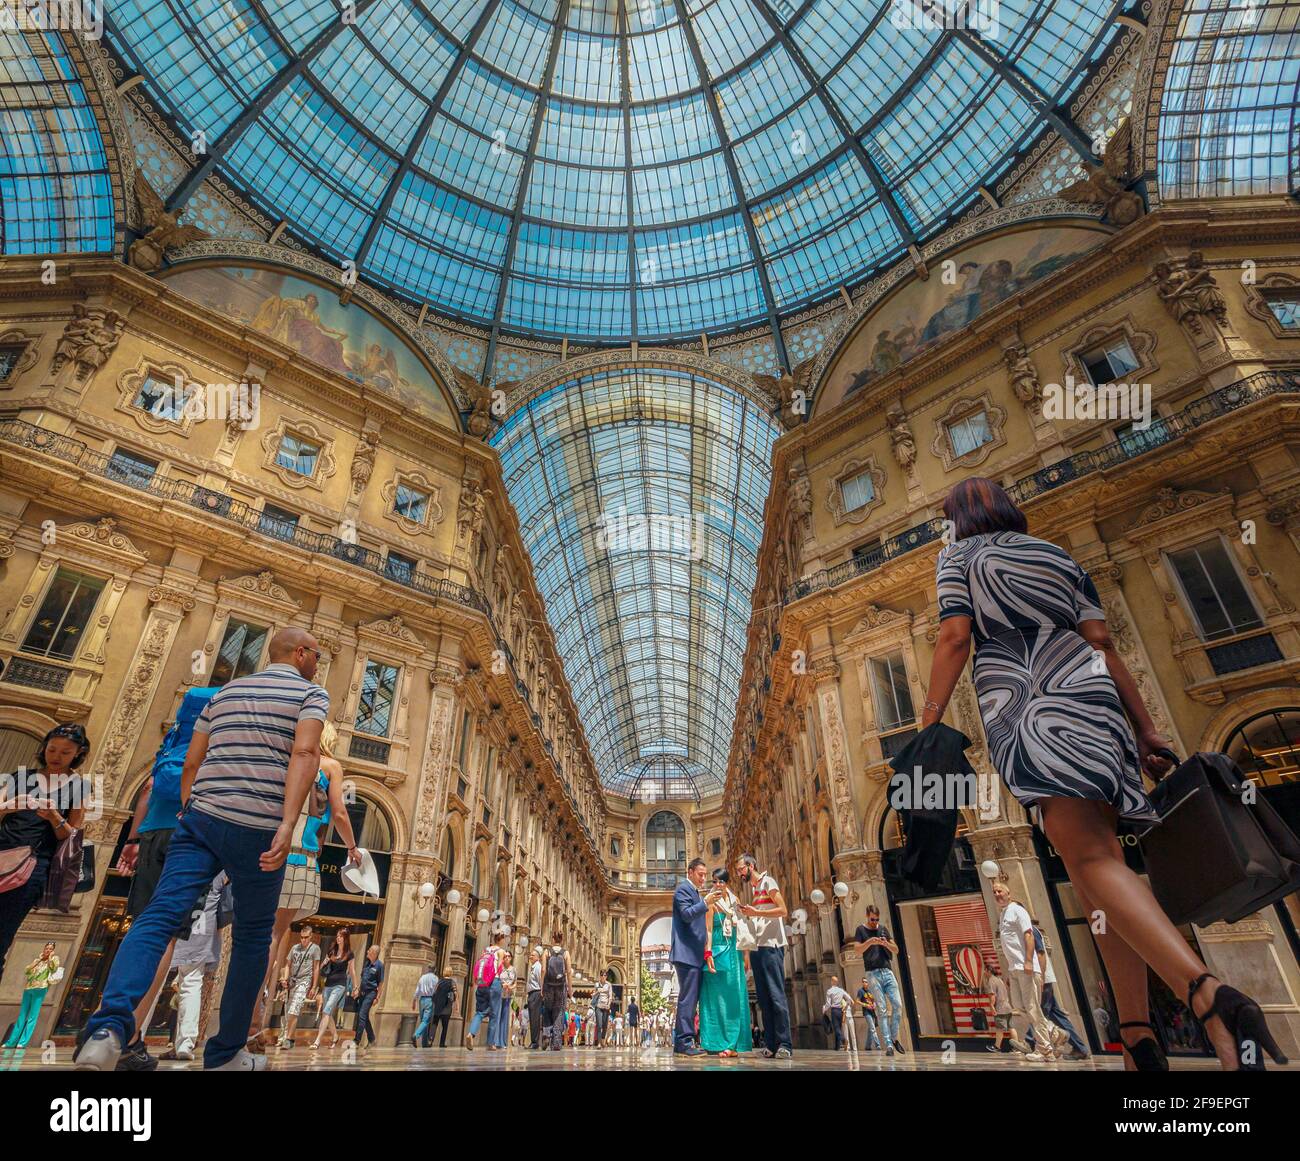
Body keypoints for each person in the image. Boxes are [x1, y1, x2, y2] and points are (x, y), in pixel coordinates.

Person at [924, 477, 1282, 1071]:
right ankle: (1139, 1038)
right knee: (1096, 878)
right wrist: (1146, 729)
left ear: (959, 518)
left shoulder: (958, 556)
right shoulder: (1058, 557)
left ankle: (1208, 994)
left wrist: (930, 724)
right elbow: (1104, 642)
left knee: (1090, 860)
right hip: (1094, 701)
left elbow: (954, 636)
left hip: (1029, 704)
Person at [77, 629, 355, 1072]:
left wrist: (191, 806)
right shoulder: (310, 694)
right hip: (259, 827)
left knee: (159, 916)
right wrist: (286, 823)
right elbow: (304, 754)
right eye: (317, 656)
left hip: (202, 819)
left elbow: (192, 759)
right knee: (251, 936)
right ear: (301, 654)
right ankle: (226, 1054)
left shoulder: (225, 691)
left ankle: (106, 1030)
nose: (318, 664)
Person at [113, 688, 219, 1071]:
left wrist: (133, 837)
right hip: (187, 838)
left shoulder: (173, 741)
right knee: (166, 937)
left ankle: (110, 1023)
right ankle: (129, 1034)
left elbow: (148, 790)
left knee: (143, 928)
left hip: (153, 833)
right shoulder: (214, 740)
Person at [256, 719, 357, 1039]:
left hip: (268, 850)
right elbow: (339, 813)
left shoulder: (286, 758)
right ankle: (253, 1018)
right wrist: (352, 848)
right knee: (274, 934)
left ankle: (251, 1009)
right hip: (300, 856)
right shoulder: (329, 766)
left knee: (261, 932)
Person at [1, 725, 89, 984]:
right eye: (52, 749)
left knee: (2, 935)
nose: (56, 756)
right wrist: (8, 806)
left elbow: (73, 835)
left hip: (31, 867)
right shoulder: (20, 776)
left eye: (65, 751)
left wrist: (54, 817)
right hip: (3, 852)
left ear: (78, 753)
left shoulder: (79, 787)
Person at [161, 873, 227, 1060]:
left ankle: (133, 1036)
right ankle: (184, 1044)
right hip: (202, 924)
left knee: (158, 979)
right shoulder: (221, 865)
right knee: (191, 983)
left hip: (182, 919)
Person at [991, 882, 1057, 1061]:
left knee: (1032, 1008)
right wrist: (1009, 972)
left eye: (1000, 891)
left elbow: (1028, 935)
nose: (997, 894)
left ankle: (1045, 1049)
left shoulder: (1017, 910)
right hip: (1015, 969)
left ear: (1009, 893)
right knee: (1020, 1008)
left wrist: (1029, 961)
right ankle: (1053, 1031)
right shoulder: (1004, 913)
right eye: (994, 892)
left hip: (1025, 967)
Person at [735, 853, 792, 1059]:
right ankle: (771, 1044)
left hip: (772, 946)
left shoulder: (768, 881)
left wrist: (756, 912)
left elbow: (783, 910)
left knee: (776, 996)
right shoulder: (755, 890)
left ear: (751, 866)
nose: (740, 873)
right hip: (759, 947)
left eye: (741, 868)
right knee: (764, 999)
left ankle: (785, 1043)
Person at [699, 867, 752, 1057]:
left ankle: (733, 1044)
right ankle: (714, 1042)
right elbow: (709, 930)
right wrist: (708, 953)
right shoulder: (710, 901)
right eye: (714, 881)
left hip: (735, 951)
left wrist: (746, 955)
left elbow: (743, 927)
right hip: (718, 951)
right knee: (715, 996)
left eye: (721, 881)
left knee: (734, 996)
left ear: (727, 883)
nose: (718, 885)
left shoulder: (735, 900)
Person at [671, 857, 720, 1055]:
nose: (703, 878)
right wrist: (705, 903)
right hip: (686, 954)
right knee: (688, 999)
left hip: (694, 954)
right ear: (690, 872)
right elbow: (686, 914)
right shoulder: (683, 889)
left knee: (691, 998)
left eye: (705, 875)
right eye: (700, 874)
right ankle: (684, 1043)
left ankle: (685, 1041)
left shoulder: (696, 893)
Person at [848, 904, 905, 1056]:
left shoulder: (883, 929)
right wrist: (870, 942)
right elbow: (857, 949)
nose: (874, 922)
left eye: (877, 919)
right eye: (872, 919)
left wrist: (886, 943)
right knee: (882, 1008)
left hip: (887, 971)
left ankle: (893, 1038)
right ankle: (889, 1045)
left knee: (898, 1005)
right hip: (872, 974)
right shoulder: (861, 930)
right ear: (867, 916)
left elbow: (896, 949)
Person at [1031, 920, 1088, 1060]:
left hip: (1041, 979)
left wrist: (1041, 979)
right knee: (1056, 1014)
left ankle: (1029, 1041)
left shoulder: (1030, 930)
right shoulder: (1030, 931)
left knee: (1037, 1013)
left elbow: (1040, 954)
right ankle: (1080, 1048)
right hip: (1044, 978)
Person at [2, 941, 60, 1049]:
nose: (48, 950)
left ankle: (22, 1042)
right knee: (22, 1015)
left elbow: (54, 969)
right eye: (47, 948)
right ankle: (11, 1042)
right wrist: (37, 961)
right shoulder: (38, 960)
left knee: (32, 1017)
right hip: (29, 988)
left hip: (40, 988)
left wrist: (51, 958)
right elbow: (27, 971)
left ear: (53, 951)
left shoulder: (54, 959)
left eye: (51, 949)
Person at [313, 926, 357, 1050]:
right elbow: (322, 966)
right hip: (328, 984)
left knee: (326, 1011)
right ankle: (335, 1036)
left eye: (341, 936)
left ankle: (317, 1040)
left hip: (340, 985)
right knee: (328, 1013)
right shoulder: (332, 950)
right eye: (337, 936)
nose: (338, 938)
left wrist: (355, 987)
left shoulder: (349, 953)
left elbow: (352, 971)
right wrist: (326, 961)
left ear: (346, 938)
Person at [280, 924, 320, 1049]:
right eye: (302, 937)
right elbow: (288, 964)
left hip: (304, 981)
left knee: (294, 1009)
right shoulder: (295, 948)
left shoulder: (315, 949)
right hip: (292, 981)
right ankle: (290, 1039)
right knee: (288, 1012)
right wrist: (285, 979)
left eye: (306, 937)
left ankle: (288, 1039)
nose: (303, 940)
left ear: (311, 936)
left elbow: (316, 968)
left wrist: (314, 986)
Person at [465, 933, 505, 1051]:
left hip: (482, 983)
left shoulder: (486, 950)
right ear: (501, 939)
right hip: (494, 983)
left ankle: (471, 1034)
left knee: (480, 1012)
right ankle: (491, 1043)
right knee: (494, 1014)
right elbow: (499, 968)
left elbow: (479, 966)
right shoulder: (501, 951)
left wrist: (476, 981)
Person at [542, 929, 571, 1050]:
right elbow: (568, 972)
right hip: (560, 986)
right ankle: (557, 1042)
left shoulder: (546, 952)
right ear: (561, 940)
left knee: (547, 1009)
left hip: (548, 985)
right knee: (559, 1011)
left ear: (553, 939)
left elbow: (543, 970)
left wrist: (541, 986)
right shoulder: (566, 953)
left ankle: (547, 1034)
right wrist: (570, 988)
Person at [354, 943, 384, 1051]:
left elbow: (380, 983)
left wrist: (377, 997)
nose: (367, 951)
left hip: (371, 994)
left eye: (369, 950)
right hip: (362, 993)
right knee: (364, 1017)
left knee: (362, 1014)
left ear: (375, 953)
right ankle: (372, 1039)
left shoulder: (379, 965)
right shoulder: (367, 963)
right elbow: (363, 978)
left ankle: (356, 1041)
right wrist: (357, 990)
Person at [984, 962, 1013, 1054]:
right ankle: (1017, 1048)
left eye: (985, 970)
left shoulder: (991, 981)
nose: (984, 973)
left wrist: (992, 1006)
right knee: (1011, 1027)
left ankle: (997, 1047)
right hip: (1007, 1006)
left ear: (989, 971)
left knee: (1000, 1028)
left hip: (1000, 1007)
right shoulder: (999, 979)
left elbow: (992, 995)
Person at [491, 951, 515, 1051]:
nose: (507, 958)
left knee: (505, 1019)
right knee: (497, 1017)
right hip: (499, 994)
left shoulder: (513, 969)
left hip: (508, 996)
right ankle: (495, 1041)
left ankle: (503, 1042)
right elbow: (495, 980)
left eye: (509, 956)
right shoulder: (499, 968)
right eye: (505, 956)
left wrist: (511, 987)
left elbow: (516, 983)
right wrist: (502, 985)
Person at [411, 964, 438, 1048]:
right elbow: (436, 991)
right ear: (435, 970)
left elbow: (417, 990)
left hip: (421, 1000)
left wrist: (414, 1000)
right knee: (426, 1021)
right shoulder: (435, 978)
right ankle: (416, 1035)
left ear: (428, 969)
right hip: (430, 1000)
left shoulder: (422, 977)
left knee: (423, 1021)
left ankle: (424, 1043)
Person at [824, 976, 853, 1050]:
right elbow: (849, 999)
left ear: (832, 982)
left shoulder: (829, 991)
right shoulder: (841, 990)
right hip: (841, 1011)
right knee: (839, 1027)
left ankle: (843, 1040)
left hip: (834, 1011)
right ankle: (837, 1046)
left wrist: (824, 1009)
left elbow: (828, 1004)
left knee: (836, 1028)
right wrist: (846, 1006)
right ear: (836, 982)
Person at [854, 978, 881, 1051]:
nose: (864, 983)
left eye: (866, 982)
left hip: (872, 1012)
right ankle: (878, 1045)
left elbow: (874, 1000)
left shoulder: (870, 991)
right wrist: (865, 1005)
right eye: (863, 982)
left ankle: (867, 1046)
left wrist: (874, 1004)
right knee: (872, 1028)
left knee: (870, 1030)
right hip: (867, 1012)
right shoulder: (860, 991)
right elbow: (857, 1001)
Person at [430, 974, 456, 1048]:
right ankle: (442, 1043)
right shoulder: (452, 982)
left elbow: (434, 993)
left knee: (434, 1024)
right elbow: (454, 995)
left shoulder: (439, 981)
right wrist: (455, 1002)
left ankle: (430, 1040)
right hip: (446, 1009)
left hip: (438, 1007)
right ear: (451, 973)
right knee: (444, 1027)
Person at [525, 948, 543, 1048]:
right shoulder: (533, 967)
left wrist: (541, 993)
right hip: (532, 994)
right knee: (532, 1018)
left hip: (536, 994)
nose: (530, 956)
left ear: (538, 957)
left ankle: (535, 1042)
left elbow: (540, 981)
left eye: (532, 955)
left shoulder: (537, 967)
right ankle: (533, 1041)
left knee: (535, 1018)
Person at [593, 972, 613, 1048]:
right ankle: (599, 1043)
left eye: (604, 975)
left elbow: (610, 996)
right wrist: (594, 994)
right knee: (599, 1025)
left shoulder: (609, 985)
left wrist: (609, 1004)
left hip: (606, 1007)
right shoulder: (597, 984)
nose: (603, 976)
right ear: (600, 976)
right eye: (601, 975)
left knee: (604, 1025)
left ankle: (603, 1040)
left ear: (606, 976)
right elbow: (594, 993)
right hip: (598, 1006)